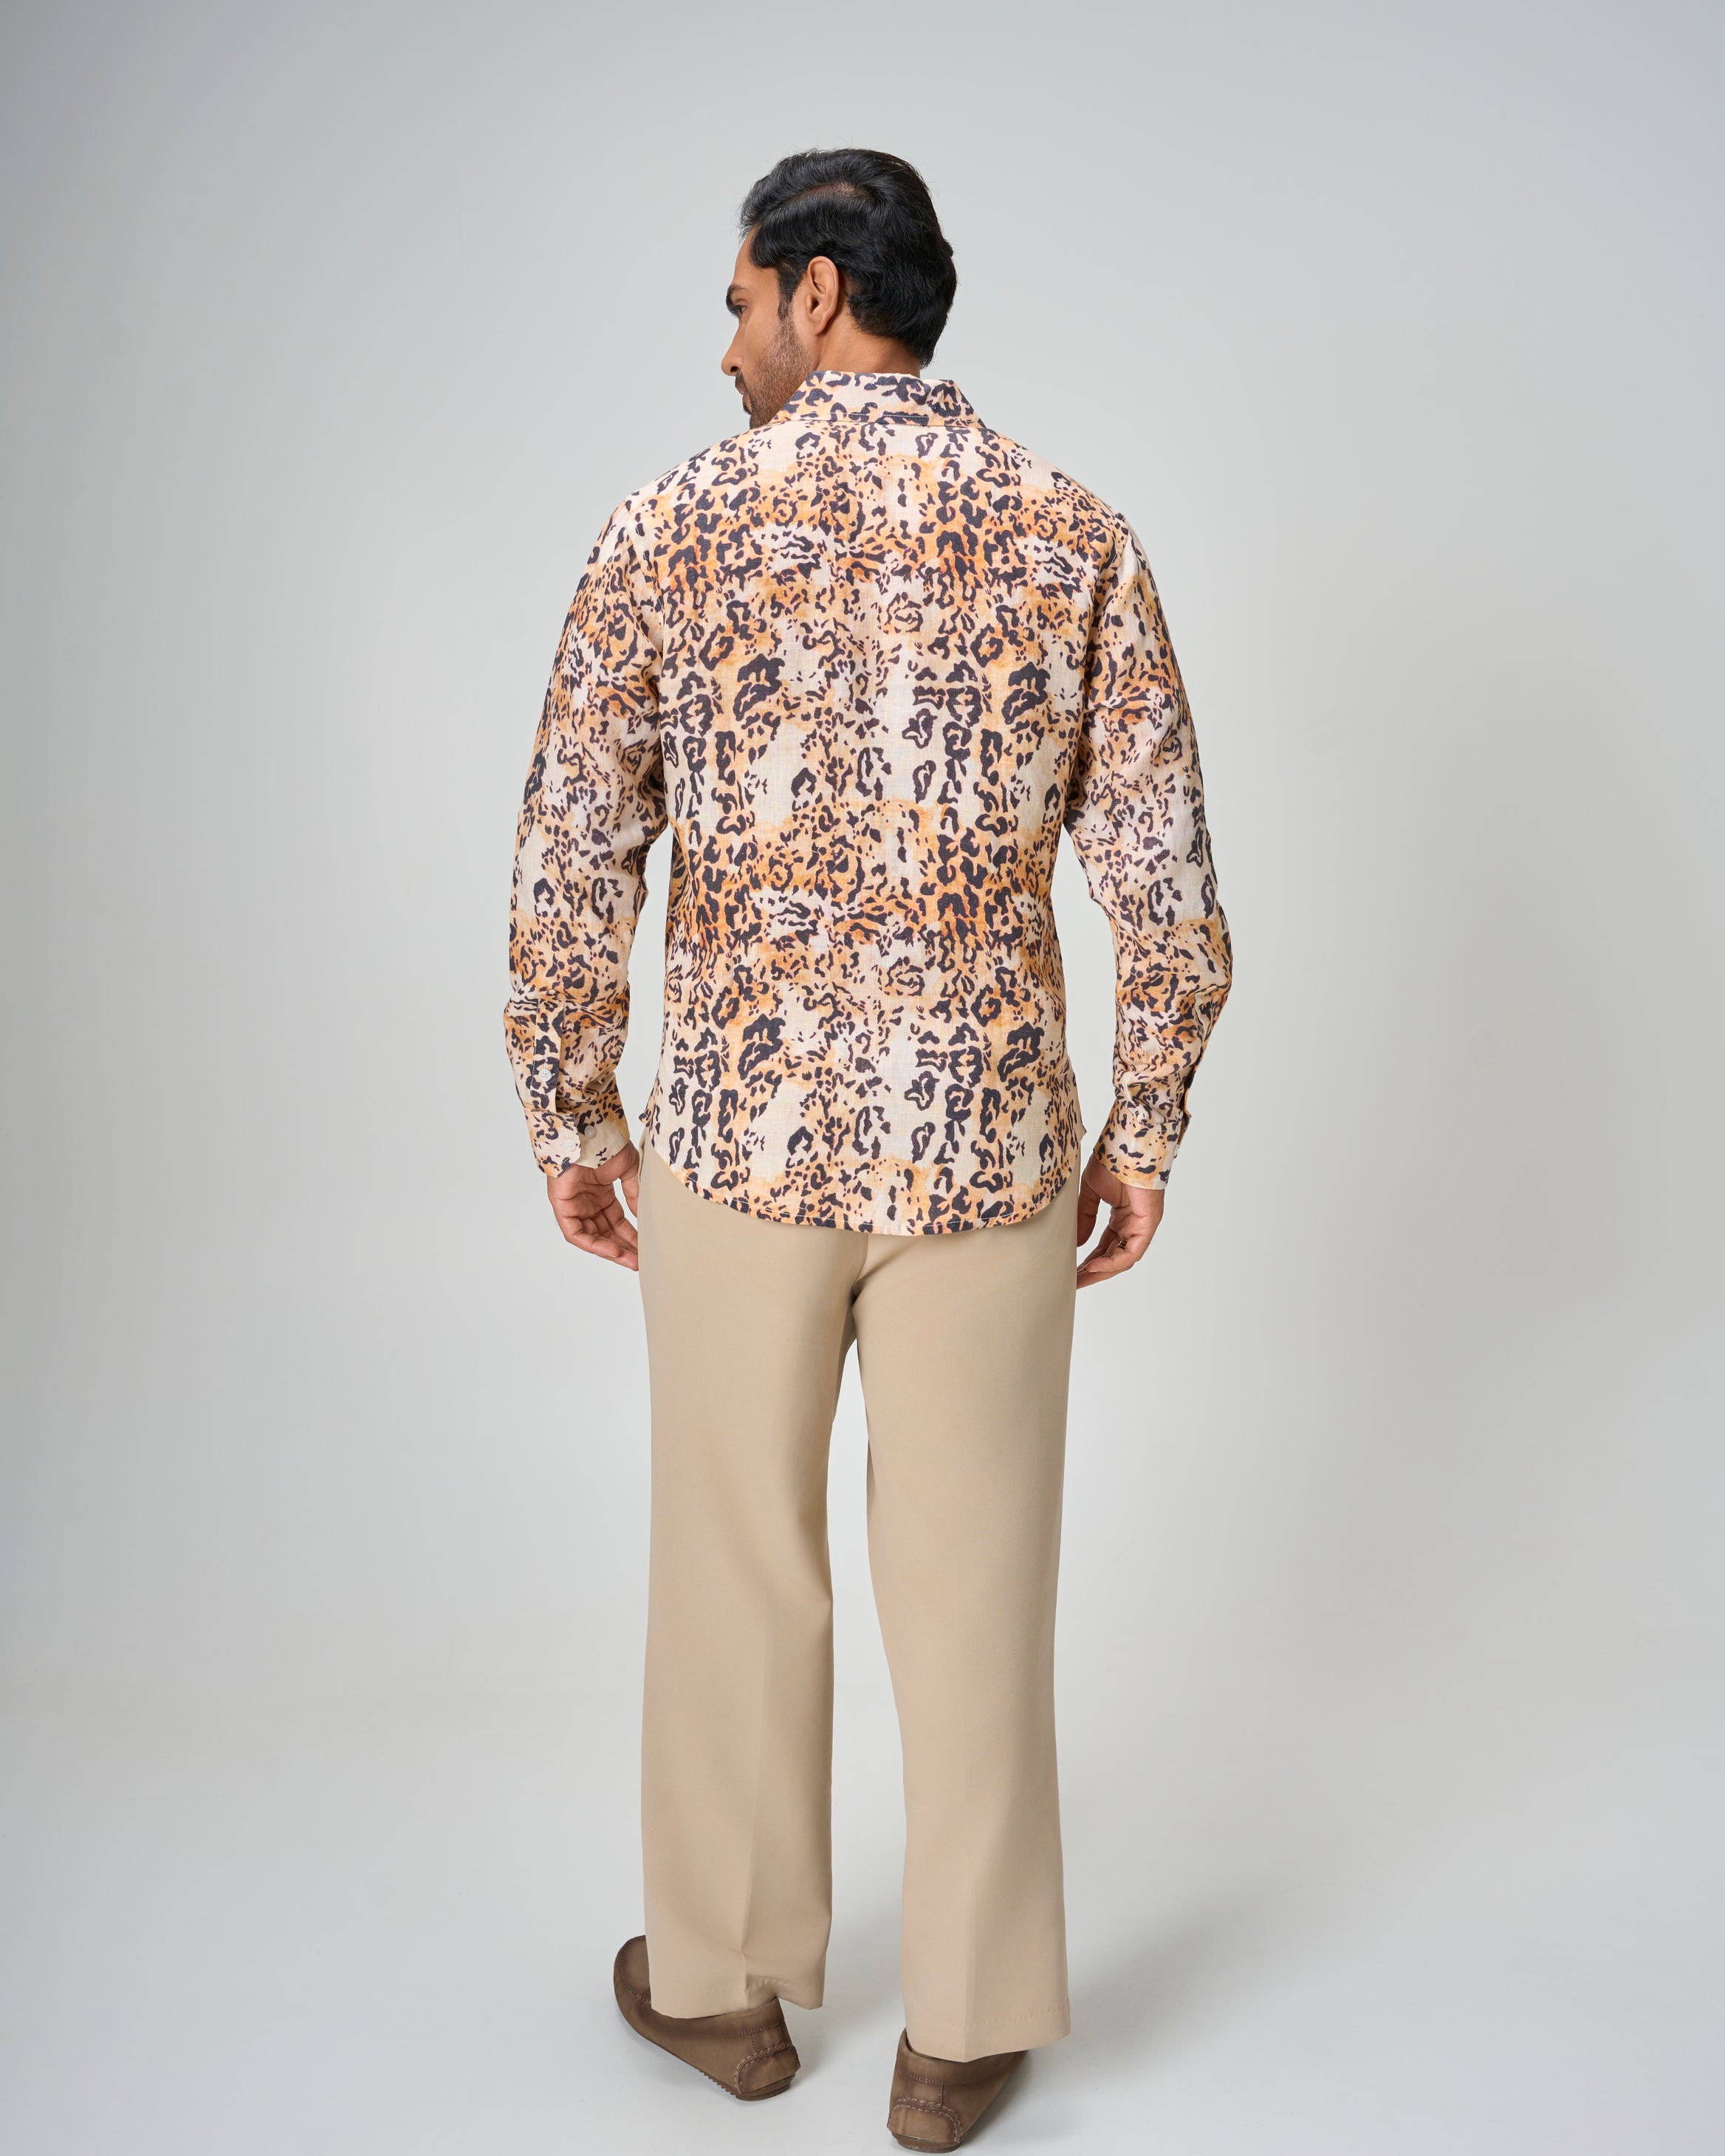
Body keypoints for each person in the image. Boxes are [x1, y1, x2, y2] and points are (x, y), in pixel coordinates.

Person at [505, 146, 1230, 2151]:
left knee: (737, 1573)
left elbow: (571, 856)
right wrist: (1146, 1125)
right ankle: (964, 2033)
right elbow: (1169, 889)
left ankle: (723, 1992)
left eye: (742, 299)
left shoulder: (671, 525)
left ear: (820, 293)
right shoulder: (1073, 532)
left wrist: (574, 1113)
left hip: (741, 1151)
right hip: (988, 1157)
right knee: (977, 1591)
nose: (731, 340)